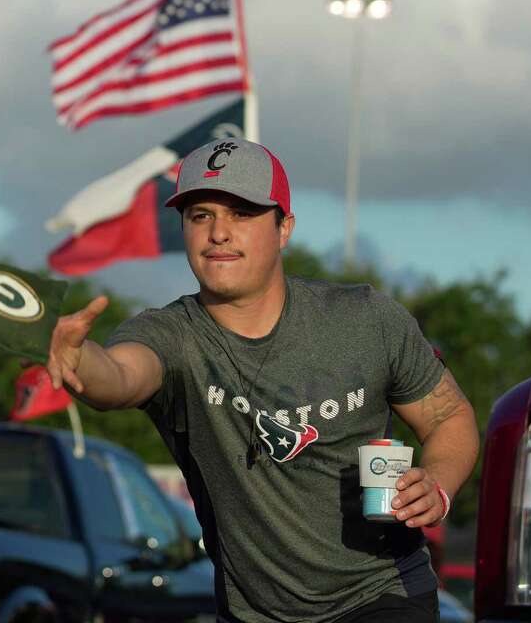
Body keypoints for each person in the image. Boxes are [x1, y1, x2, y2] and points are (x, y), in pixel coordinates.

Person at [47, 138, 479, 623]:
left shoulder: (365, 320)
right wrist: (80, 360)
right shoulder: (170, 334)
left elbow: (449, 416)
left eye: (242, 214)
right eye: (201, 215)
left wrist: (438, 484)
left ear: (284, 228)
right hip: (255, 613)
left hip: (381, 594)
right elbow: (122, 375)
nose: (218, 233)